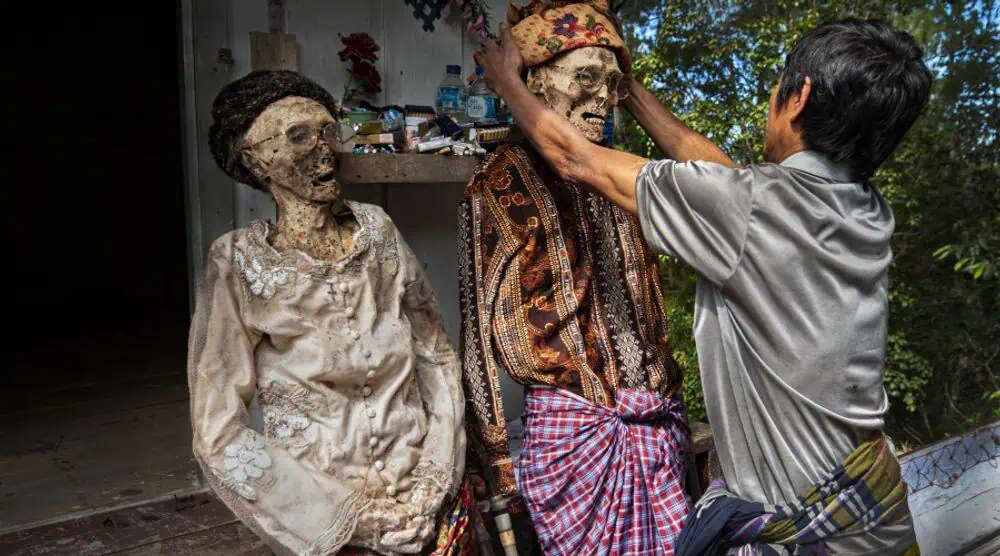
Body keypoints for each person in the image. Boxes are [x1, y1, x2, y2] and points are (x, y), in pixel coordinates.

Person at [475, 15, 931, 555]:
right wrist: (628, 89)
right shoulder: (862, 210)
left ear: (800, 97)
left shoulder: (751, 209)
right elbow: (725, 178)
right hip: (879, 516)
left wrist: (507, 83)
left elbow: (576, 159)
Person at [188, 70, 476, 556]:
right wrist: (350, 522)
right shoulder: (237, 262)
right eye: (299, 136)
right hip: (325, 514)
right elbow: (218, 431)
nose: (324, 150)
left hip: (422, 496)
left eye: (328, 131)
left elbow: (436, 356)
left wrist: (435, 477)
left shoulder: (377, 231)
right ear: (255, 159)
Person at [460, 2, 688, 554]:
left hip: (657, 429)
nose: (602, 97)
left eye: (612, 84)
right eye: (585, 77)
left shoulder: (621, 176)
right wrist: (496, 461)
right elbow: (477, 335)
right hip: (574, 440)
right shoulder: (501, 181)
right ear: (537, 81)